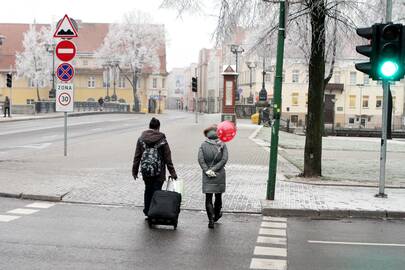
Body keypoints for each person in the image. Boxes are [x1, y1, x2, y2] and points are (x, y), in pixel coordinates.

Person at [132, 117, 177, 218]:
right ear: (158, 127)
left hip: (146, 171)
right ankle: (154, 212)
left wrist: (134, 171)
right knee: (157, 192)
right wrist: (173, 173)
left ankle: (147, 211)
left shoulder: (141, 139)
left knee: (148, 190)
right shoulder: (162, 140)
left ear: (149, 126)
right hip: (159, 172)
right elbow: (168, 158)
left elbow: (137, 156)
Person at [198, 125, 228, 229]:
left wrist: (207, 170)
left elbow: (200, 160)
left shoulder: (203, 145)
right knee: (218, 196)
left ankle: (211, 220)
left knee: (208, 198)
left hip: (207, 175)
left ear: (207, 134)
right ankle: (216, 215)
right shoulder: (222, 144)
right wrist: (214, 169)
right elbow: (224, 159)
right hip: (219, 174)